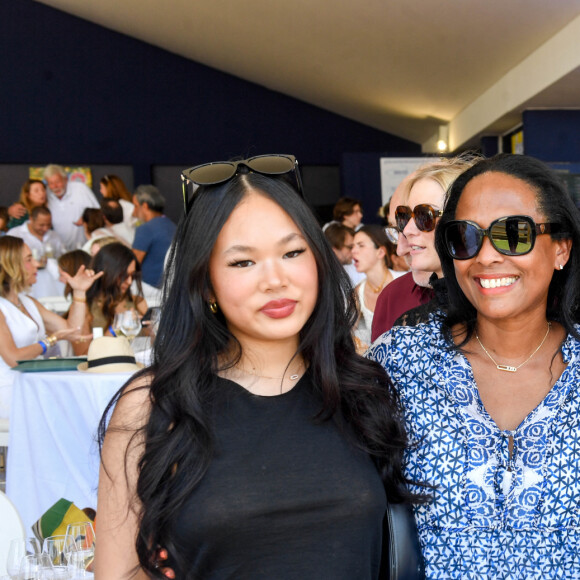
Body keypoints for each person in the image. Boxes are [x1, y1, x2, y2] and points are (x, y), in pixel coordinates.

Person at [96, 156, 418, 578]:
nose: (275, 278)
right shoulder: (153, 406)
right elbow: (119, 572)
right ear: (206, 281)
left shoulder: (362, 391)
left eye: (292, 252)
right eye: (242, 261)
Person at [367, 154, 580, 578]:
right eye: (464, 237)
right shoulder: (401, 362)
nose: (485, 257)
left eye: (513, 234)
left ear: (560, 248)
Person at [372, 156, 478, 340]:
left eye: (424, 216)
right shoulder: (395, 299)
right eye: (404, 217)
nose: (407, 230)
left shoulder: (497, 295)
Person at [0, 236, 99, 419]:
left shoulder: (28, 302)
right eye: (29, 260)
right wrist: (51, 340)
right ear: (10, 265)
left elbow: (74, 331)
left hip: (32, 388)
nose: (37, 264)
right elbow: (13, 358)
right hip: (7, 394)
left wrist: (79, 293)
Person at [73, 243, 146, 355]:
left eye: (132, 275)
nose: (129, 281)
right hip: (102, 370)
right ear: (109, 272)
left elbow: (153, 345)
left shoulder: (137, 302)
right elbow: (83, 355)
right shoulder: (84, 307)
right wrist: (116, 328)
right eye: (124, 275)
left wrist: (152, 330)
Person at [351, 225, 405, 351]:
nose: (353, 251)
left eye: (361, 245)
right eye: (352, 246)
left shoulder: (404, 281)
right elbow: (345, 333)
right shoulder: (358, 292)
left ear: (380, 252)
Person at [44, 164, 100, 251]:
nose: (55, 186)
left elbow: (98, 212)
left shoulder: (80, 189)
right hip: (59, 252)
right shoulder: (46, 194)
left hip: (84, 249)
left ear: (66, 179)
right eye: (51, 183)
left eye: (58, 182)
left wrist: (86, 217)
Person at [132, 185, 176, 288]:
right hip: (170, 288)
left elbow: (133, 265)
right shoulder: (172, 225)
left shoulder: (146, 229)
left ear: (145, 206)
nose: (133, 212)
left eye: (135, 206)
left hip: (149, 289)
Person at [323, 222, 365, 286]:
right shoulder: (320, 276)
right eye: (350, 247)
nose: (354, 251)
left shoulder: (353, 265)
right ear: (333, 250)